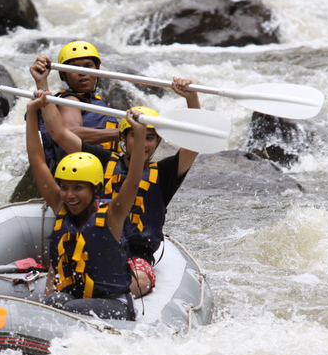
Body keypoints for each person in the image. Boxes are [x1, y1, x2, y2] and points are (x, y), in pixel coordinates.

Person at [31, 61, 201, 298]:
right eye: (138, 136)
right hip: (97, 245)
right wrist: (42, 84)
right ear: (124, 137)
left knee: (140, 280)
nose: (145, 143)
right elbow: (60, 134)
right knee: (58, 270)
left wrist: (191, 99)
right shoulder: (102, 160)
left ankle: (111, 306)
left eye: (151, 138)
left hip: (137, 255)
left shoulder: (165, 173)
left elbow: (194, 145)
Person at [25, 90, 147, 320]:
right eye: (65, 187)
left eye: (78, 188)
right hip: (76, 302)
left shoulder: (112, 215)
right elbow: (37, 161)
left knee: (59, 307)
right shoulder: (62, 207)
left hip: (115, 305)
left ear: (95, 189)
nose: (70, 195)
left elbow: (133, 178)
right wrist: (32, 113)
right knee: (54, 301)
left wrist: (138, 136)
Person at [31, 41, 120, 172]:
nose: (82, 72)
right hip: (81, 172)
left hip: (103, 167)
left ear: (97, 69)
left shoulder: (92, 100)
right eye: (74, 68)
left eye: (88, 66)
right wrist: (123, 133)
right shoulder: (70, 100)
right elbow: (70, 133)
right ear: (63, 74)